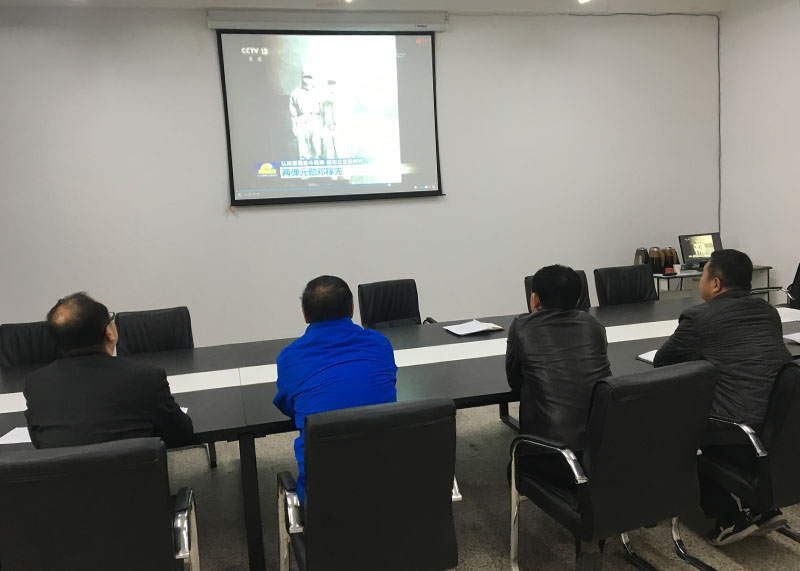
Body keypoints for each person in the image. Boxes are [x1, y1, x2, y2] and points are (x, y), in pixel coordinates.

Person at [654, 249, 791, 545]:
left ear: (715, 283)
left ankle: (727, 517)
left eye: (703, 275)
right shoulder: (768, 311)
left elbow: (663, 362)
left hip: (738, 431)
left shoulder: (699, 317)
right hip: (778, 426)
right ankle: (763, 509)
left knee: (676, 432)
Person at [274, 275, 397, 503]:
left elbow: (290, 408)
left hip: (323, 499)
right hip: (389, 485)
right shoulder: (380, 344)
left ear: (305, 315)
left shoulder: (289, 358)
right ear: (352, 309)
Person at [24, 292, 193, 448]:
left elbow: (39, 442)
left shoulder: (35, 385)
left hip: (63, 472)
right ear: (109, 332)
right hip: (134, 471)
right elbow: (181, 435)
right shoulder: (146, 378)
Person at [506, 264, 611, 485]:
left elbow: (514, 381)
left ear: (534, 299)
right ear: (578, 299)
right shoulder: (594, 325)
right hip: (603, 451)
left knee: (513, 468)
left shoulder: (521, 327)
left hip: (552, 457)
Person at [289, 70, 322, 160]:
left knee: (316, 146)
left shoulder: (318, 92)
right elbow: (293, 113)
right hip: (302, 120)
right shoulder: (295, 93)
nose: (307, 79)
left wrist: (321, 124)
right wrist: (294, 127)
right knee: (303, 147)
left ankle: (317, 162)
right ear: (302, 78)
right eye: (305, 77)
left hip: (315, 119)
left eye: (309, 77)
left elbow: (322, 110)